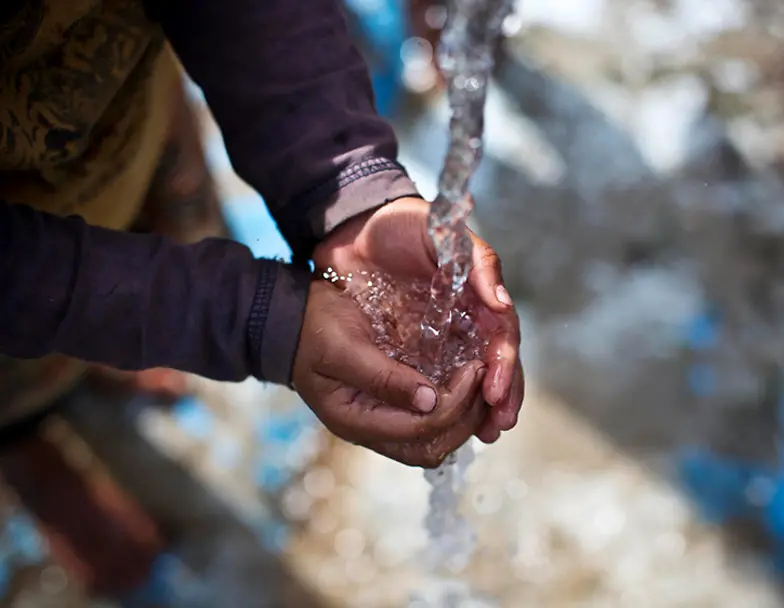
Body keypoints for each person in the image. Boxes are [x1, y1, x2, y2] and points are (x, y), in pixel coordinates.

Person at [0, 0, 524, 469]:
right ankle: (30, 434)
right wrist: (251, 319)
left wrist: (348, 190)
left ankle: (104, 359)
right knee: (26, 387)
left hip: (128, 109)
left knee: (170, 217)